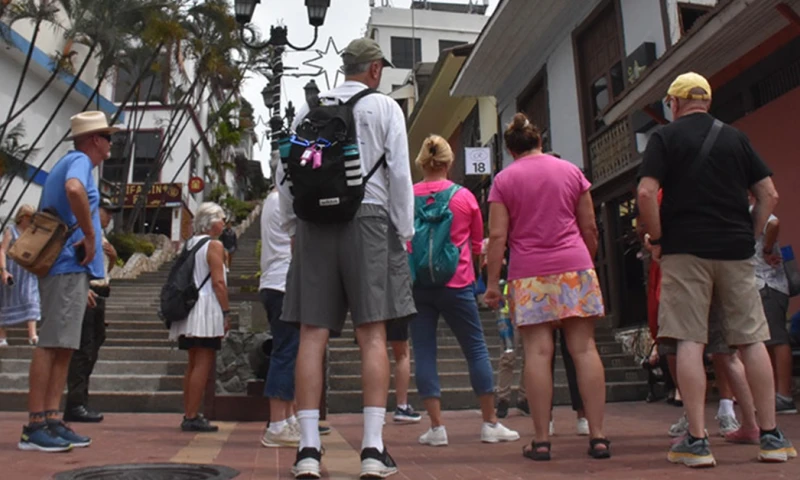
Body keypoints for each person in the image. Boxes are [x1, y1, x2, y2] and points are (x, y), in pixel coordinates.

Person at [637, 72, 795, 467]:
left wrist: (657, 240)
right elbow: (769, 194)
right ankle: (772, 437)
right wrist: (750, 233)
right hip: (736, 252)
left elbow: (644, 192)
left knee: (691, 341)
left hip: (685, 251)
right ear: (706, 101)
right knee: (751, 340)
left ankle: (696, 440)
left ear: (673, 104)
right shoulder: (735, 137)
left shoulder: (664, 138)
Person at [276, 38, 416, 479]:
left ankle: (308, 450)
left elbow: (288, 174)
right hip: (369, 220)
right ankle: (372, 448)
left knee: (312, 334)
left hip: (315, 224)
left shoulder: (307, 111)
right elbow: (400, 173)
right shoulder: (386, 109)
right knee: (372, 334)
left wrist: (292, 226)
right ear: (374, 69)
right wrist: (405, 231)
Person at [485, 113, 609, 461]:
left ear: (510, 150)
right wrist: (586, 261)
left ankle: (541, 440)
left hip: (529, 274)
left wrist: (493, 284)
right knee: (584, 350)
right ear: (540, 142)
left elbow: (497, 236)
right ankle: (598, 436)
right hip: (574, 266)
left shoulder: (504, 180)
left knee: (538, 354)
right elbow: (590, 227)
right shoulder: (571, 172)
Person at [409, 135, 519, 448]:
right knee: (475, 349)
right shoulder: (464, 197)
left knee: (424, 352)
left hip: (419, 285)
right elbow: (475, 245)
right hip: (457, 284)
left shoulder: (408, 196)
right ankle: (489, 423)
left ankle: (436, 427)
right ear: (449, 161)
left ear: (422, 161)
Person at [18, 111, 117, 452]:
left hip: (70, 270)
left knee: (63, 346)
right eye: (108, 137)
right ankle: (35, 424)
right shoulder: (78, 162)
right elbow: (74, 189)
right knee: (52, 344)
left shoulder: (72, 161)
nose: (109, 144)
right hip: (65, 265)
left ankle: (50, 418)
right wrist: (90, 235)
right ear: (94, 140)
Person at [169, 202, 231, 432]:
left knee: (192, 362)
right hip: (206, 308)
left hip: (189, 309)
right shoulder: (214, 246)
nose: (223, 223)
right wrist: (226, 312)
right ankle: (193, 415)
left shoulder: (190, 244)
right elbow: (218, 282)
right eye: (220, 219)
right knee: (203, 362)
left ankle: (189, 411)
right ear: (211, 223)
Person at [64, 197, 119, 423]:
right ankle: (75, 403)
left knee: (94, 345)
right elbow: (73, 262)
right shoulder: (83, 232)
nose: (110, 217)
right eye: (107, 212)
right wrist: (83, 288)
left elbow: (104, 269)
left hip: (101, 292)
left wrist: (113, 257)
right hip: (88, 294)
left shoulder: (100, 236)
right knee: (83, 350)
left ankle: (82, 400)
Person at [259, 184, 301, 448]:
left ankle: (287, 419)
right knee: (286, 353)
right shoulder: (285, 202)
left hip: (274, 282)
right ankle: (276, 423)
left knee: (289, 352)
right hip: (284, 282)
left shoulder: (271, 201)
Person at [748, 193, 794, 414]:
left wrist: (766, 251)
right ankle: (776, 393)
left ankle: (784, 395)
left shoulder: (754, 212)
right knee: (767, 341)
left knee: (776, 339)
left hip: (767, 284)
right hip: (763, 285)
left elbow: (774, 222)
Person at [0, 205, 41, 346]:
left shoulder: (32, 232)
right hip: (13, 269)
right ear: (23, 217)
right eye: (30, 217)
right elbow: (2, 251)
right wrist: (3, 270)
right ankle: (2, 337)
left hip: (27, 270)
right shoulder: (10, 231)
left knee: (31, 298)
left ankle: (32, 335)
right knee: (6, 301)